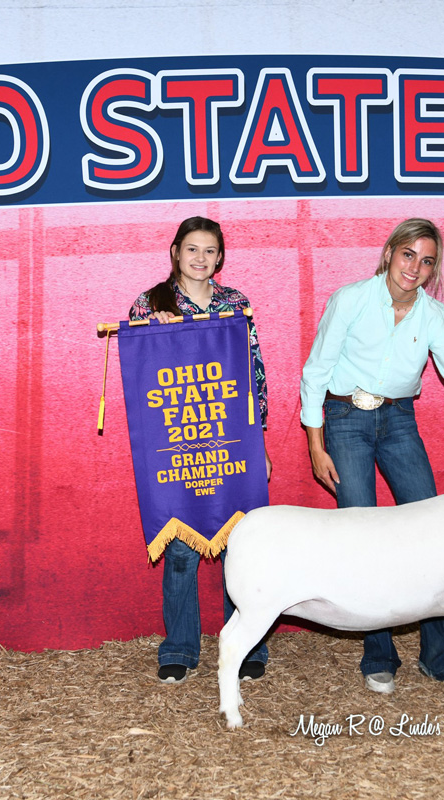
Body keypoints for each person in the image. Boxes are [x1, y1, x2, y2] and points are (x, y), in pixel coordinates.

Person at [299, 217, 444, 694]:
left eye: (426, 260)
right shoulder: (350, 299)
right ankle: (379, 654)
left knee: (433, 535)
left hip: (399, 422)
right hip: (344, 419)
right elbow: (317, 368)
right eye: (408, 254)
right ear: (390, 252)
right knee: (363, 534)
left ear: (433, 269)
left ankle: (440, 655)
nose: (415, 267)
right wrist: (315, 443)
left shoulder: (433, 316)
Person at [129, 216, 272, 685]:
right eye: (192, 249)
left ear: (220, 257)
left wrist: (259, 441)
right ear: (175, 252)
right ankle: (180, 647)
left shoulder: (236, 304)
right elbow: (142, 373)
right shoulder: (150, 303)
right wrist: (155, 330)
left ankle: (248, 642)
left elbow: (252, 372)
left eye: (210, 251)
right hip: (176, 442)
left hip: (230, 439)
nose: (200, 258)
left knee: (241, 546)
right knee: (180, 549)